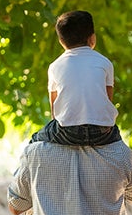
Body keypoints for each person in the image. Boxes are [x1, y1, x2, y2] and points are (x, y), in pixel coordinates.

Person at [34, 10, 122, 147]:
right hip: (102, 134)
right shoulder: (105, 63)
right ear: (92, 38)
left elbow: (54, 110)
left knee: (35, 139)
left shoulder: (55, 66)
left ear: (61, 41)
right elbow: (107, 100)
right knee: (116, 134)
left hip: (68, 133)